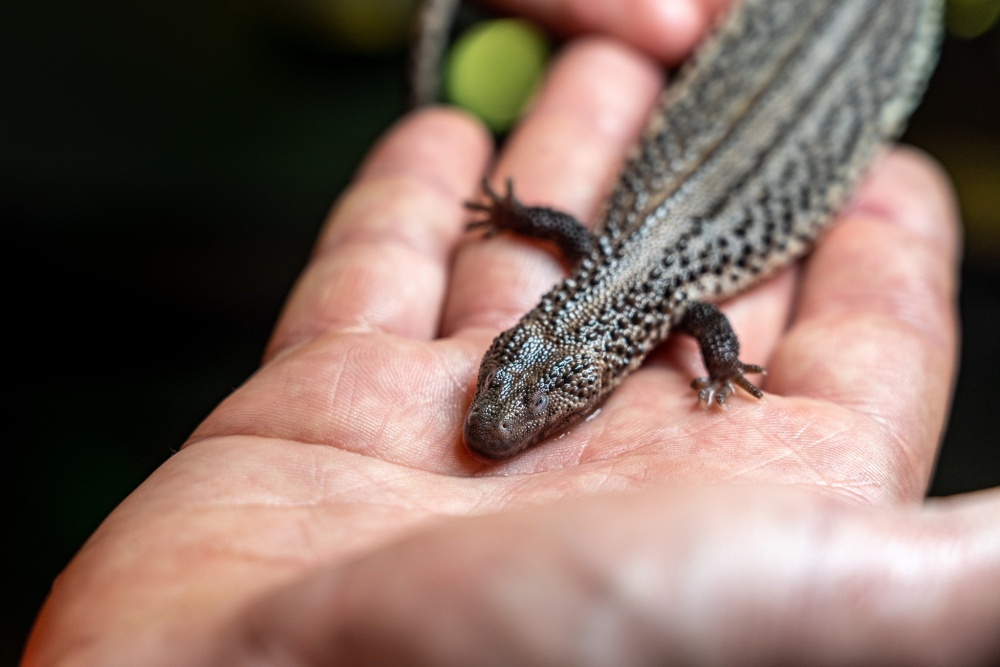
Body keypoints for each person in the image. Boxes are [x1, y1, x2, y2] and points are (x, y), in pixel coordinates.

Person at [23, 1, 1000, 664]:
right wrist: (531, 224)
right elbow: (631, 274)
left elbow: (688, 306)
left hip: (720, 183)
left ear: (591, 367)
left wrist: (722, 367)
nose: (497, 420)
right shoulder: (622, 296)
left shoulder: (638, 298)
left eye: (529, 396)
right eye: (511, 385)